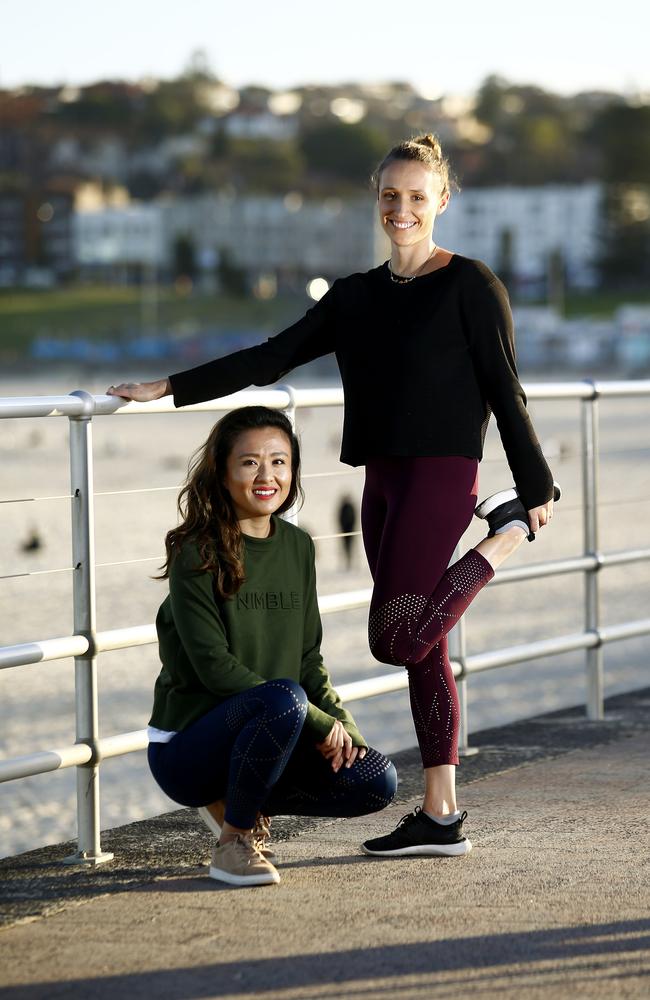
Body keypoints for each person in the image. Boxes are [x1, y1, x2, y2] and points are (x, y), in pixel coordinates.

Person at [109, 133, 560, 861]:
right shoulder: (354, 296)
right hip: (381, 477)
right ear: (376, 201)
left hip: (443, 472)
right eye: (391, 196)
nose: (402, 209)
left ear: (443, 201)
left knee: (396, 636)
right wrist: (168, 388)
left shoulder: (472, 284)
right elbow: (268, 358)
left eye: (418, 196)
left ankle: (501, 535)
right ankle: (440, 814)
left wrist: (533, 487)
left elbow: (506, 388)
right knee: (425, 646)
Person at [146, 405, 397, 887]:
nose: (267, 475)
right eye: (249, 462)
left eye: (279, 462)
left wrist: (343, 726)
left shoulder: (299, 546)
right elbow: (214, 668)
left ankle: (242, 798)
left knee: (375, 780)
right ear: (222, 472)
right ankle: (233, 842)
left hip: (276, 725)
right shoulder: (196, 551)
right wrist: (316, 721)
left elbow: (308, 658)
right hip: (189, 747)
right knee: (285, 699)